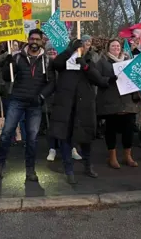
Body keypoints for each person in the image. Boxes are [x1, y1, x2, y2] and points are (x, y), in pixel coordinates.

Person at [0, 29, 53, 182]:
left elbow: (51, 83)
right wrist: (9, 60)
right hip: (17, 100)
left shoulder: (46, 60)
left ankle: (30, 170)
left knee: (32, 138)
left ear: (42, 41)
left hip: (35, 104)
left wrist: (42, 96)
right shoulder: (17, 57)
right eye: (31, 38)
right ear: (28, 39)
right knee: (6, 133)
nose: (34, 42)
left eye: (37, 39)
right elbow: (6, 77)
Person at [47, 39, 110, 184]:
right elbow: (56, 64)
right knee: (65, 137)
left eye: (82, 47)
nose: (80, 49)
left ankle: (88, 165)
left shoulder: (88, 60)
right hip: (66, 104)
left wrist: (85, 65)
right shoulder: (65, 60)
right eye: (78, 47)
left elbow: (98, 80)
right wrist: (70, 51)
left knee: (85, 137)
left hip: (84, 105)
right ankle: (68, 169)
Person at [95, 39, 141, 168]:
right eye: (113, 46)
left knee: (129, 130)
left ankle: (128, 156)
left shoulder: (128, 60)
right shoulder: (102, 62)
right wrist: (108, 79)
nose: (116, 48)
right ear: (108, 48)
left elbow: (138, 74)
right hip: (111, 101)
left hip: (128, 101)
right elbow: (96, 78)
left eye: (118, 46)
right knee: (111, 130)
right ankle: (112, 157)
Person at [43, 42, 82, 162]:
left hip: (65, 97)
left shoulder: (65, 60)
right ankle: (52, 149)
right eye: (49, 50)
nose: (52, 51)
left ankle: (73, 148)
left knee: (70, 123)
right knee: (51, 124)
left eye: (54, 50)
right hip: (50, 97)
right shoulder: (43, 63)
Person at [0, 42, 27, 144]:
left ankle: (24, 138)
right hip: (7, 91)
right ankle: (11, 138)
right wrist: (7, 55)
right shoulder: (4, 57)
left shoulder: (21, 57)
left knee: (22, 117)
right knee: (9, 116)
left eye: (16, 45)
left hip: (19, 90)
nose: (15, 47)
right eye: (13, 45)